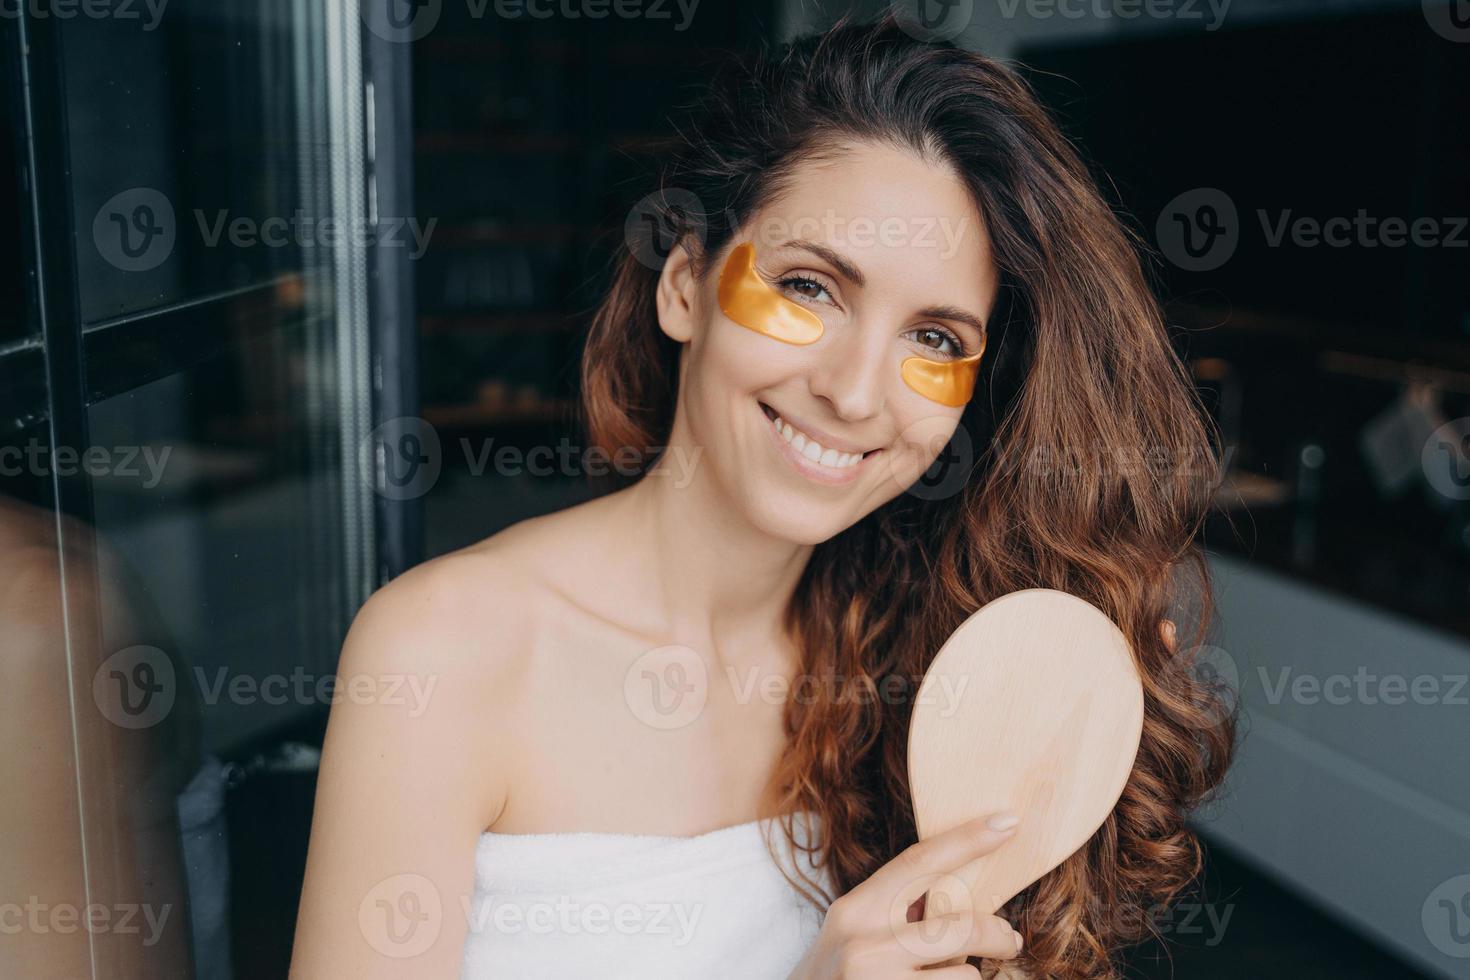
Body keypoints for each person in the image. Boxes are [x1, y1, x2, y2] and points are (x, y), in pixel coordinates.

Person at [291, 14, 1235, 979]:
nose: (856, 391)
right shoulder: (440, 653)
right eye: (811, 287)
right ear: (685, 287)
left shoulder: (928, 661)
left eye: (936, 339)